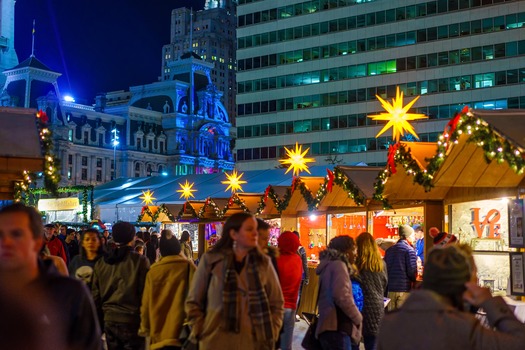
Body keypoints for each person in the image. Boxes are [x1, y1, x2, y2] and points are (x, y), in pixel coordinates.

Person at [377, 245, 525, 350]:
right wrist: (491, 303)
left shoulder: (390, 323)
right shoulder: (464, 328)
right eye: (475, 275)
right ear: (466, 284)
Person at [0, 203, 101, 349]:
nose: (6, 242)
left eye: (16, 234)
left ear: (37, 242)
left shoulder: (70, 293)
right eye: (0, 235)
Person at [185, 212, 284, 349]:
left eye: (255, 229)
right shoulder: (211, 261)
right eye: (249, 230)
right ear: (234, 234)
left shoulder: (263, 263)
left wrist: (272, 331)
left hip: (254, 342)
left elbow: (277, 302)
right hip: (215, 341)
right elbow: (193, 301)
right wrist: (201, 330)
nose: (255, 234)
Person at [92, 221, 150, 350]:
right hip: (132, 320)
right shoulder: (139, 261)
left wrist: (99, 323)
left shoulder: (101, 263)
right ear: (131, 237)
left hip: (109, 320)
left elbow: (96, 295)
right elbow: (145, 293)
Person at [140, 229, 196, 350]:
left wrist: (145, 328)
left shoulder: (153, 271)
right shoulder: (188, 268)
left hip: (159, 333)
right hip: (182, 334)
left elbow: (146, 304)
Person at [316, 235, 363, 350]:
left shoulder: (329, 264)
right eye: (353, 250)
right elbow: (342, 296)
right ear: (346, 251)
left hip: (328, 326)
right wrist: (358, 317)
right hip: (337, 327)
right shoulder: (338, 266)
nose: (355, 254)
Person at [355, 232, 388, 350]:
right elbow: (384, 284)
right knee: (372, 344)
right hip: (376, 309)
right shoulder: (381, 264)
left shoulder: (356, 264)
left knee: (354, 343)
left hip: (358, 308)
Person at [276, 231, 303, 350]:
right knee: (287, 345)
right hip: (291, 306)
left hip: (275, 306)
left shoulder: (275, 260)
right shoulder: (298, 260)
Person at [384, 225, 417, 311]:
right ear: (407, 236)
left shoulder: (389, 250)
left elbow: (385, 269)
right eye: (413, 235)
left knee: (391, 318)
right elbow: (411, 272)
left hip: (390, 289)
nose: (414, 238)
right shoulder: (409, 250)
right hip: (403, 289)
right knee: (401, 318)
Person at [293, 230, 309, 321]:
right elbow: (305, 264)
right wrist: (307, 277)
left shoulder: (288, 248)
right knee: (298, 295)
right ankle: (294, 315)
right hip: (300, 275)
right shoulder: (301, 249)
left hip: (291, 276)